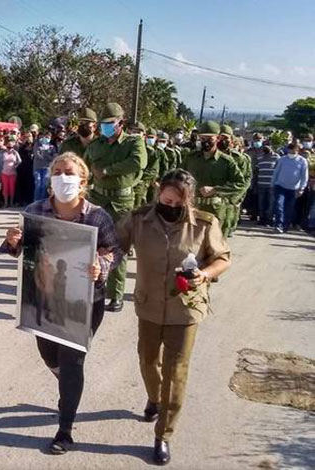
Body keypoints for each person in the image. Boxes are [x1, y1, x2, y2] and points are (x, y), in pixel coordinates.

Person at [1, 152, 120, 455]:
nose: (62, 177)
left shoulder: (97, 215)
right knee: (48, 354)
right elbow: (23, 252)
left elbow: (114, 251)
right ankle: (64, 378)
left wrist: (101, 266)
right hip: (44, 297)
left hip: (84, 301)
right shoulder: (35, 210)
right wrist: (14, 242)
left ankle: (64, 430)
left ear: (83, 180)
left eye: (69, 172)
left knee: (72, 361)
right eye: (57, 171)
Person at [116, 169, 231, 465]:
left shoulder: (205, 224)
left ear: (189, 201)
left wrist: (204, 275)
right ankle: (154, 398)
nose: (170, 206)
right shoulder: (140, 219)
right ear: (158, 192)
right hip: (149, 306)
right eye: (166, 199)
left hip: (186, 307)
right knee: (146, 359)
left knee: (176, 372)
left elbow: (222, 258)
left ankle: (163, 435)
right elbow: (114, 245)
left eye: (178, 203)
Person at [84, 102, 147, 312]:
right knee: (91, 246)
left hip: (120, 203)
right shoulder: (96, 144)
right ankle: (90, 287)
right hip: (97, 199)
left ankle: (115, 295)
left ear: (121, 123)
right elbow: (84, 165)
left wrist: (109, 170)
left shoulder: (133, 143)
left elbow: (139, 162)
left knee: (117, 249)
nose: (106, 128)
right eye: (103, 124)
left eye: (110, 124)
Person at [181, 121, 245, 238]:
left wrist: (216, 190)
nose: (205, 141)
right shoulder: (191, 159)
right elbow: (179, 177)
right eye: (202, 138)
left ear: (218, 138)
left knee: (213, 245)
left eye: (209, 138)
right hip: (193, 208)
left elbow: (240, 184)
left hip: (215, 211)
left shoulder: (226, 161)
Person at [218, 125, 252, 236]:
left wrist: (236, 199)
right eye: (220, 138)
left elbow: (245, 180)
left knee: (223, 233)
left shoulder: (239, 158)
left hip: (229, 201)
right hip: (208, 201)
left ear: (231, 140)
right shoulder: (204, 156)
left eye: (225, 138)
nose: (222, 141)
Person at [270, 141, 309, 233]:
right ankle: (278, 225)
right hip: (280, 186)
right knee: (279, 205)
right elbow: (276, 172)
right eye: (292, 148)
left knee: (289, 208)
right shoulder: (282, 159)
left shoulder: (302, 161)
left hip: (293, 189)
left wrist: (302, 188)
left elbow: (304, 176)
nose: (294, 150)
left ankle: (285, 226)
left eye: (296, 148)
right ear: (289, 149)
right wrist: (272, 184)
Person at [133, 126, 162, 207]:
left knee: (138, 205)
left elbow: (153, 170)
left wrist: (139, 177)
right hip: (127, 182)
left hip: (143, 183)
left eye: (151, 137)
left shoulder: (151, 152)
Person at [252, 145, 279, 226]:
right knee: (261, 203)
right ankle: (262, 219)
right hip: (261, 184)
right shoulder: (260, 158)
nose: (266, 148)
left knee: (271, 204)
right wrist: (255, 184)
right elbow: (256, 171)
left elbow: (279, 170)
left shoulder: (276, 157)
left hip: (272, 185)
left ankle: (269, 219)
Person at [0, 135, 22, 208]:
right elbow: (0, 165)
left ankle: (11, 203)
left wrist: (15, 166)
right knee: (5, 188)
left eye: (11, 147)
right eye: (8, 147)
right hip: (4, 173)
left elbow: (20, 161)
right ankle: (5, 203)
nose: (10, 148)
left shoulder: (15, 153)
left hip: (13, 173)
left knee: (12, 188)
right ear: (6, 146)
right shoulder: (2, 153)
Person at [33, 130, 56, 200]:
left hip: (47, 168)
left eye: (48, 137)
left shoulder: (52, 147)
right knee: (38, 184)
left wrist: (46, 155)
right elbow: (37, 155)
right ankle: (36, 201)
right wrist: (45, 154)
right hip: (37, 167)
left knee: (44, 185)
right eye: (45, 136)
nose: (47, 138)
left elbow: (53, 158)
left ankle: (42, 201)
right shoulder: (37, 145)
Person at [16, 131, 36, 205]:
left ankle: (30, 200)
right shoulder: (21, 147)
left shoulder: (34, 146)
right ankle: (21, 200)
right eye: (26, 137)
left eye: (30, 136)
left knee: (30, 184)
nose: (28, 138)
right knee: (22, 184)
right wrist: (24, 145)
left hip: (31, 168)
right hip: (22, 168)